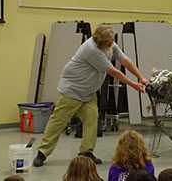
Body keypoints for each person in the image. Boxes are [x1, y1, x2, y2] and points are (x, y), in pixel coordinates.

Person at [33, 25, 149, 167]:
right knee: (57, 122)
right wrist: (134, 85)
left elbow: (125, 60)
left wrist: (141, 78)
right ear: (102, 42)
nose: (112, 43)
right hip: (71, 91)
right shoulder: (92, 49)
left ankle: (86, 152)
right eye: (110, 42)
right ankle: (42, 153)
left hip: (88, 92)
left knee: (91, 121)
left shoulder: (109, 43)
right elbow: (114, 72)